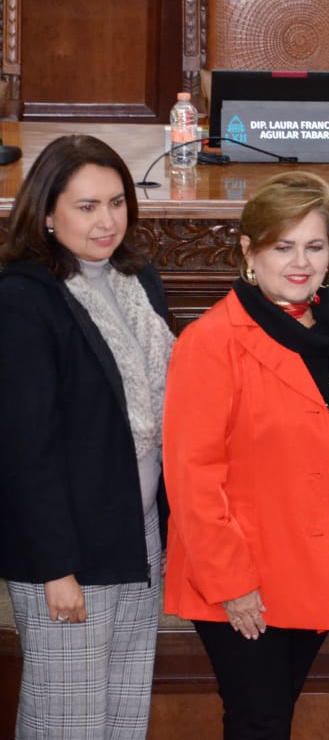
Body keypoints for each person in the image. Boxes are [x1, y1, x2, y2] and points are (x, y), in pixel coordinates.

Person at [162, 171, 329, 739]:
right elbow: (191, 476)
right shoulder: (211, 342)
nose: (299, 262)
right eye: (283, 246)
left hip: (315, 566)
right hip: (241, 576)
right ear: (248, 252)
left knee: (274, 713)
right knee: (259, 720)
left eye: (314, 245)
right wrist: (233, 585)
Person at [0, 134, 174, 739]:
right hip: (67, 550)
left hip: (136, 532)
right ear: (47, 212)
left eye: (117, 202)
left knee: (123, 713)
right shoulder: (25, 299)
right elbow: (26, 450)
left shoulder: (139, 280)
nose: (107, 221)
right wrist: (54, 568)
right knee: (65, 720)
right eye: (87, 206)